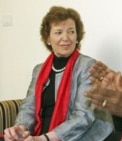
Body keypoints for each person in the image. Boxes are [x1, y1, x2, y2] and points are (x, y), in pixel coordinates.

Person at [4, 6, 113, 141]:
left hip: (82, 136)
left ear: (77, 36)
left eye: (71, 32)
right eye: (58, 32)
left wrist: (44, 139)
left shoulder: (88, 66)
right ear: (48, 38)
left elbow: (83, 117)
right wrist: (21, 128)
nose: (65, 38)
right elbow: (29, 107)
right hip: (44, 134)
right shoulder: (39, 70)